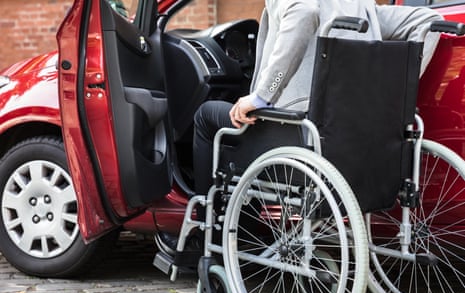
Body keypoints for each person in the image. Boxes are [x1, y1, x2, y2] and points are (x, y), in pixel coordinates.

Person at [156, 0, 443, 260]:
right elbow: (427, 22)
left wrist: (262, 96)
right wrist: (394, 95)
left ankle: (211, 236)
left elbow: (304, 13)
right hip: (356, 145)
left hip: (299, 139)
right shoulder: (361, 7)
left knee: (207, 117)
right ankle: (244, 225)